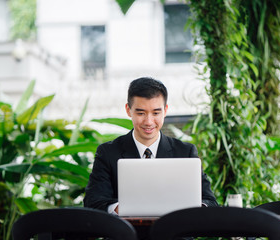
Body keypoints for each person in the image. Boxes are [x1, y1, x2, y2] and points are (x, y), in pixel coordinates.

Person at [84, 77, 218, 214]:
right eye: (141, 113)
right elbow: (93, 202)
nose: (148, 122)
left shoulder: (185, 152)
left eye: (156, 113)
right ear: (128, 110)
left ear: (165, 111)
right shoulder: (108, 152)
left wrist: (190, 209)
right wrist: (128, 210)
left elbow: (210, 202)